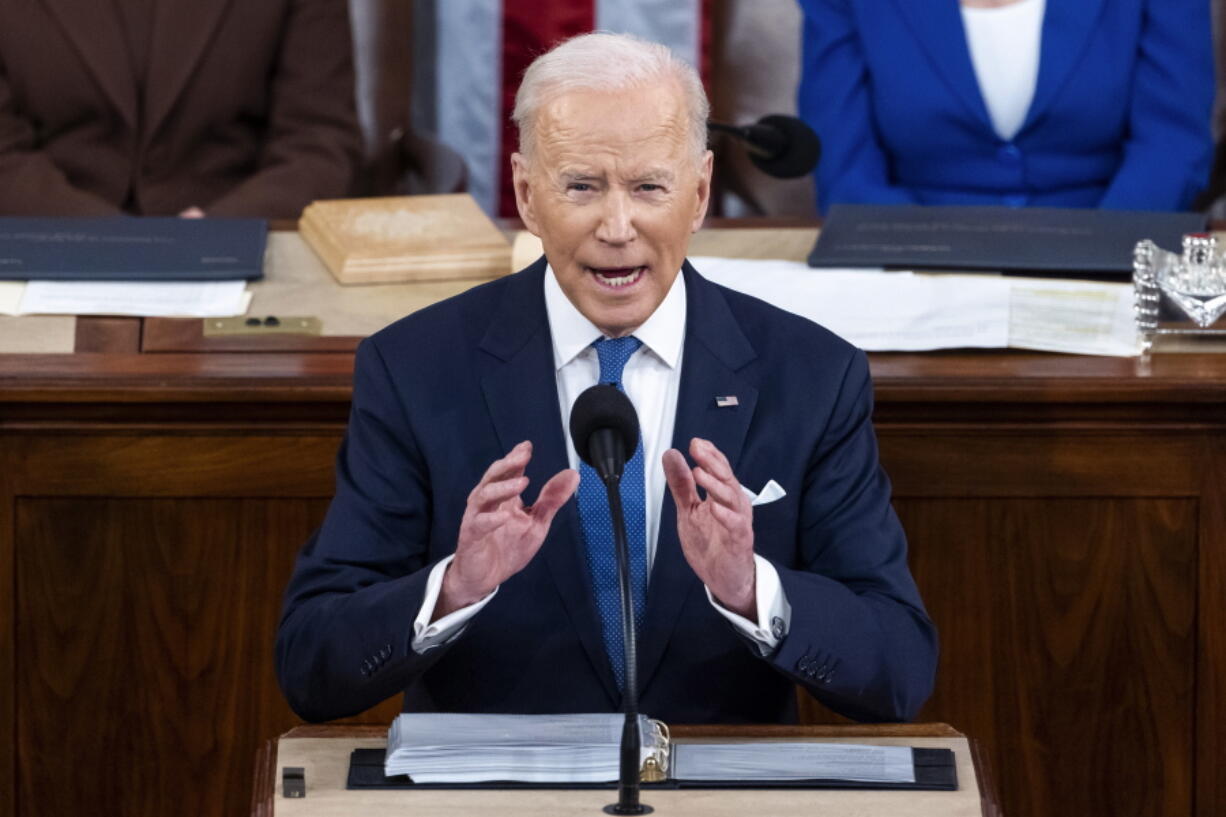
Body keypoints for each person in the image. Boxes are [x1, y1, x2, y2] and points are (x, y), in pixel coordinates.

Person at [275, 32, 937, 725]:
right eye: (582, 186)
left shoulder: (811, 374)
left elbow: (898, 668)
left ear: (701, 192)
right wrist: (453, 588)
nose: (617, 227)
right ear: (528, 195)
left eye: (650, 186)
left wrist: (751, 590)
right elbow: (311, 664)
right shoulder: (415, 368)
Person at [797, 0, 1215, 214]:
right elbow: (842, 158)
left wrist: (1099, 256)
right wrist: (921, 261)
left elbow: (1172, 141)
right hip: (910, 268)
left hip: (1109, 256)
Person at [0, 0, 361, 218]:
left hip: (240, 241)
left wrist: (216, 230)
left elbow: (319, 140)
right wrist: (104, 239)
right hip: (46, 237)